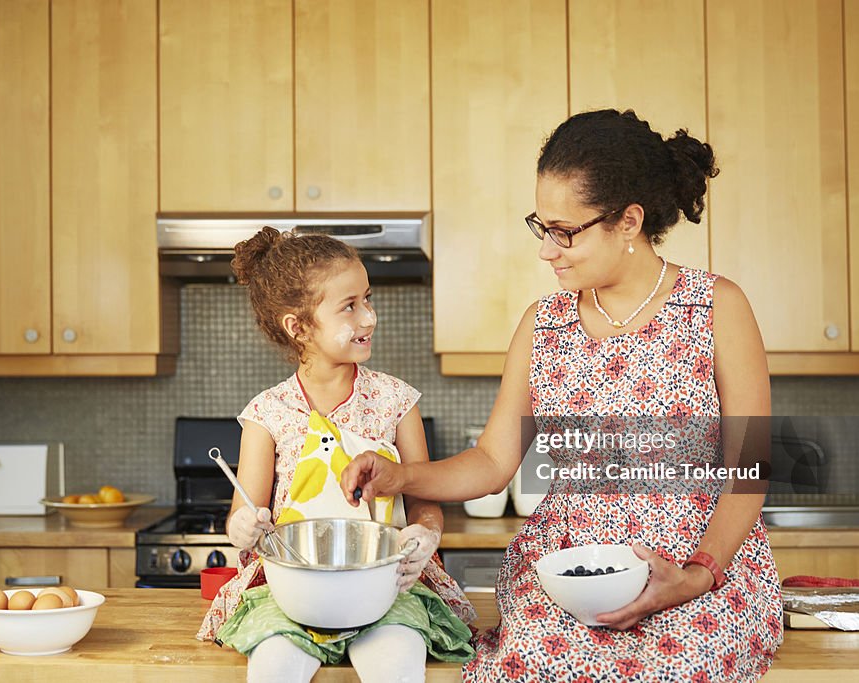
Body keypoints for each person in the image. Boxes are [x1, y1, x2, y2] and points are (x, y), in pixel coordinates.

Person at [341, 109, 784, 681]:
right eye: (541, 227)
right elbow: (493, 462)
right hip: (568, 571)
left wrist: (698, 574)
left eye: (565, 232)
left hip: (697, 565)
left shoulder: (717, 306)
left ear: (628, 221)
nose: (547, 251)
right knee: (536, 664)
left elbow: (749, 466)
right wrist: (400, 477)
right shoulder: (542, 324)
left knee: (679, 664)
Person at [196, 228, 476, 682]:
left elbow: (425, 500)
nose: (369, 318)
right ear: (299, 326)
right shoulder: (267, 414)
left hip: (386, 586)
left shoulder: (396, 401)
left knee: (397, 656)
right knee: (275, 663)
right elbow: (240, 514)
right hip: (290, 592)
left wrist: (426, 535)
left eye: (368, 298)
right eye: (349, 306)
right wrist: (243, 527)